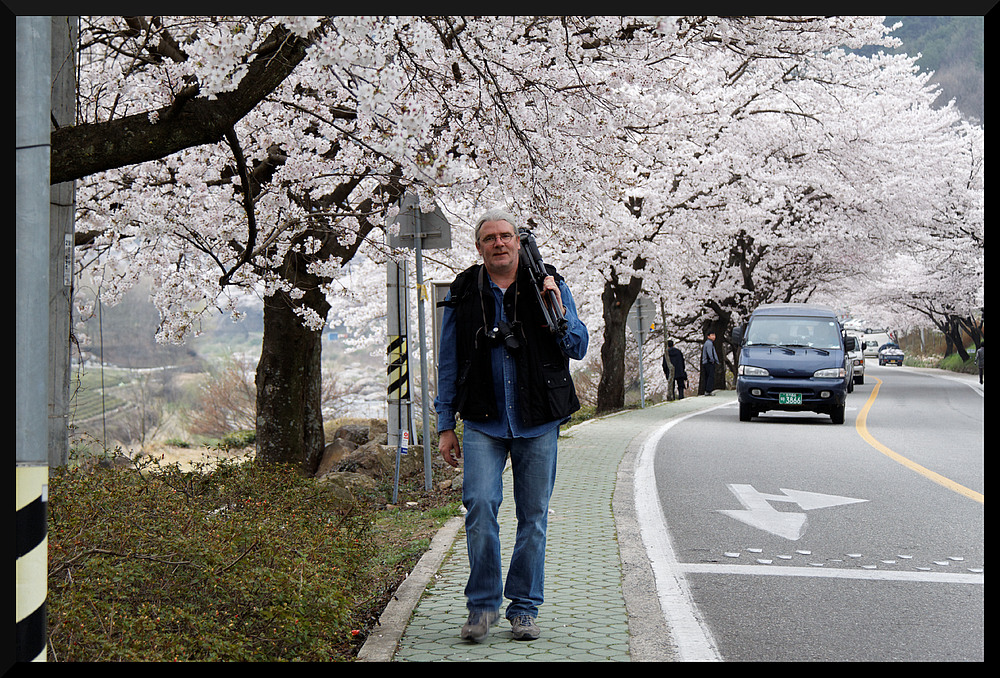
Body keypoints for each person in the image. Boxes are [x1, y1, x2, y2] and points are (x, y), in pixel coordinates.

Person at [435, 208, 589, 643]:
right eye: (490, 238)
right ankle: (483, 606)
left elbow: (577, 345)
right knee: (480, 507)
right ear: (479, 246)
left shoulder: (547, 283)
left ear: (518, 243)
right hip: (483, 419)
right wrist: (446, 424)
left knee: (533, 516)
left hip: (538, 419)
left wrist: (556, 302)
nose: (499, 243)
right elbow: (449, 360)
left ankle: (523, 608)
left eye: (506, 236)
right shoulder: (465, 290)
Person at [701, 331, 719, 395]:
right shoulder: (709, 343)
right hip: (709, 362)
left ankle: (707, 390)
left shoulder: (708, 343)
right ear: (708, 336)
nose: (714, 337)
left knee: (707, 376)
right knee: (710, 377)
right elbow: (709, 353)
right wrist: (712, 360)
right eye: (712, 335)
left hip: (706, 362)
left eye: (714, 335)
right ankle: (709, 390)